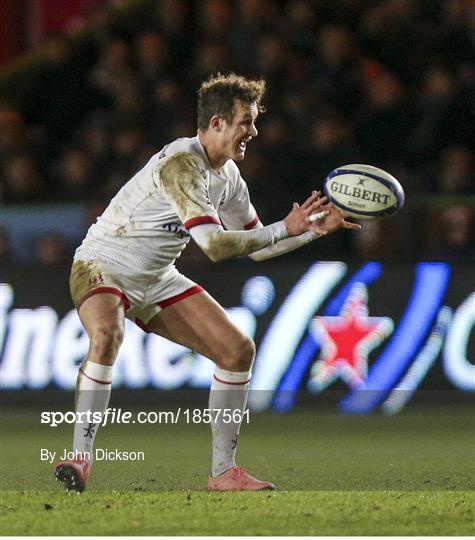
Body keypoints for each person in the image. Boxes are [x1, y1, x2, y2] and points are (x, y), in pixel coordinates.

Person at [54, 73, 360, 493]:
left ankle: (223, 473)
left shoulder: (229, 177)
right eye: (245, 121)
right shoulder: (183, 164)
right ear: (216, 123)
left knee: (238, 351)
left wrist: (308, 229)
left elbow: (257, 246)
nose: (252, 130)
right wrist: (284, 229)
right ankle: (80, 457)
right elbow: (215, 246)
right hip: (103, 264)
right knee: (107, 333)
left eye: (253, 121)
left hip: (157, 278)